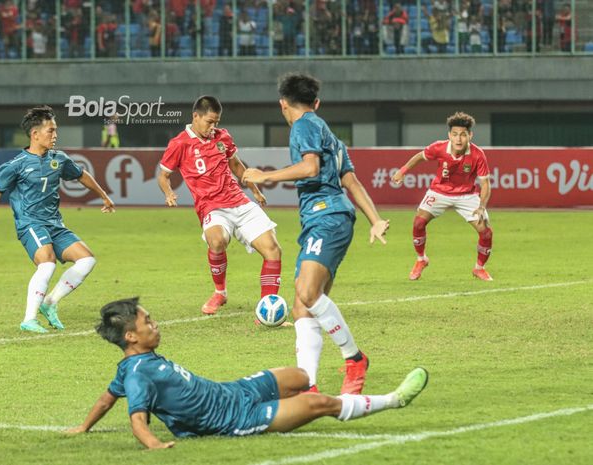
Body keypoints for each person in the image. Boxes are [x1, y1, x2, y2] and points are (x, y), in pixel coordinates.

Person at [66, 297, 429, 449]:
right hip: (237, 416)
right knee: (320, 403)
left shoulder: (133, 365)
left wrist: (84, 426)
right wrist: (156, 444)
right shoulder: (137, 376)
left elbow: (106, 398)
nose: (155, 324)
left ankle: (302, 400)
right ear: (131, 336)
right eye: (148, 322)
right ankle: (394, 400)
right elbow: (138, 421)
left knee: (300, 377)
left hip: (234, 391)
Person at [241, 73, 390, 395]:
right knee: (302, 307)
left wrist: (267, 177)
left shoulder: (304, 126)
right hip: (328, 218)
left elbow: (309, 168)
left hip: (327, 217)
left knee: (307, 294)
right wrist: (374, 219)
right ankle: (307, 385)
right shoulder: (330, 135)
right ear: (316, 102)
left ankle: (355, 359)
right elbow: (351, 181)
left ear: (283, 104)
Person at [0, 105, 115, 333]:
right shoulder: (17, 165)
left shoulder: (58, 159)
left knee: (87, 260)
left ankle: (50, 303)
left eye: (55, 130)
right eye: (50, 131)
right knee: (47, 262)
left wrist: (105, 197)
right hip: (30, 224)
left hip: (55, 224)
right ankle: (29, 318)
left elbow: (82, 175)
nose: (55, 135)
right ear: (35, 134)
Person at [157, 96, 282, 315]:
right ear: (195, 116)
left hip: (239, 202)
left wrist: (255, 190)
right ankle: (220, 293)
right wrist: (168, 193)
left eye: (216, 122)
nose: (213, 127)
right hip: (211, 206)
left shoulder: (223, 137)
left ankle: (266, 310)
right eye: (209, 122)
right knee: (217, 241)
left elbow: (236, 165)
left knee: (273, 250)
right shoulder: (179, 143)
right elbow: (163, 175)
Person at [390, 111, 493, 282]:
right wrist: (402, 171)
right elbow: (419, 157)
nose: (458, 139)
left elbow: (485, 184)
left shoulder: (478, 154)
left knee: (486, 232)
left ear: (470, 135)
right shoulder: (439, 147)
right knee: (419, 222)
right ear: (449, 135)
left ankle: (479, 269)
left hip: (467, 195)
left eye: (463, 135)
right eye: (455, 135)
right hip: (439, 192)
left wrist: (481, 206)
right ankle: (421, 259)